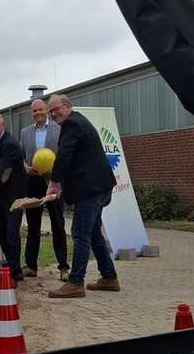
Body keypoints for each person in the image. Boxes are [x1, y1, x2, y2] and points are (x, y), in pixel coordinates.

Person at [45, 94, 121, 299]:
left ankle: (76, 282)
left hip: (91, 190)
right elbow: (76, 160)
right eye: (50, 112)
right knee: (93, 232)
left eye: (56, 109)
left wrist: (54, 182)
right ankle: (109, 277)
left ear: (67, 106)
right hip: (99, 187)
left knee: (80, 233)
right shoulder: (78, 121)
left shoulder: (72, 124)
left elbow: (65, 155)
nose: (53, 114)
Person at [18, 98, 69, 281]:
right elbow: (21, 157)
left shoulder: (58, 128)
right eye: (34, 111)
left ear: (46, 110)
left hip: (53, 181)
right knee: (33, 226)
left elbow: (64, 153)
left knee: (58, 224)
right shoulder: (25, 133)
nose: (38, 113)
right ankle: (31, 266)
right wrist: (26, 168)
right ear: (31, 113)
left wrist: (57, 177)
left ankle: (63, 267)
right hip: (33, 181)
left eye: (40, 109)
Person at [0, 112, 26, 283]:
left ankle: (14, 274)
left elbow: (4, 174)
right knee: (2, 233)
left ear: (2, 125)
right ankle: (14, 270)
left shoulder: (10, 144)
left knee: (11, 234)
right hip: (0, 198)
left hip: (13, 198)